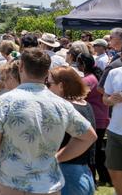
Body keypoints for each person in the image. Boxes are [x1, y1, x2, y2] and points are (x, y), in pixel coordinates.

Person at [0, 48, 97, 195]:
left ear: (21, 66)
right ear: (47, 72)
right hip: (49, 187)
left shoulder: (4, 102)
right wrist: (58, 158)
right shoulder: (61, 104)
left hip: (11, 185)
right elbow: (89, 137)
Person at [46, 67, 96, 195]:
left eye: (49, 83)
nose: (46, 88)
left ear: (61, 86)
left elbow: (87, 137)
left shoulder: (67, 109)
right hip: (84, 172)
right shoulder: (85, 105)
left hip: (68, 173)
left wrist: (55, 159)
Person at [77, 52, 111, 185]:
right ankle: (104, 178)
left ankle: (94, 178)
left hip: (95, 119)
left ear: (83, 64)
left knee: (92, 153)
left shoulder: (87, 80)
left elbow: (78, 97)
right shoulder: (95, 77)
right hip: (102, 118)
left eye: (78, 63)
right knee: (98, 152)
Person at [103, 64, 122, 194]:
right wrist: (110, 99)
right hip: (115, 130)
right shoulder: (114, 73)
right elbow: (105, 98)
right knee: (113, 168)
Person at [98, 27, 122, 92]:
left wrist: (109, 99)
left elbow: (101, 88)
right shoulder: (117, 55)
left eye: (111, 37)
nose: (109, 39)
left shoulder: (117, 58)